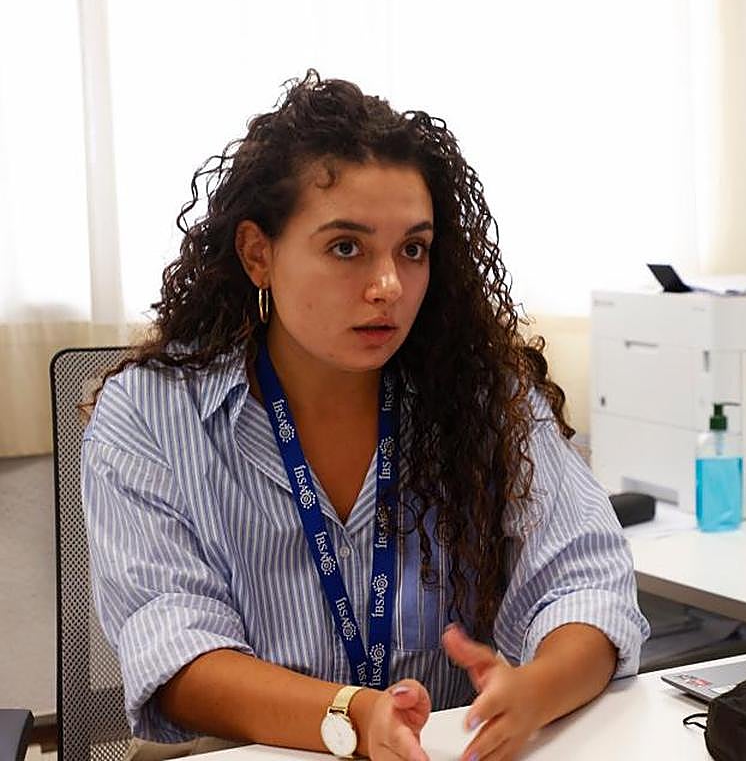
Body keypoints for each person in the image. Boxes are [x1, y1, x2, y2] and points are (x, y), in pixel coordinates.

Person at [82, 70, 649, 761]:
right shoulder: (147, 413)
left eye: (413, 250)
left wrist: (535, 689)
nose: (388, 286)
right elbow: (175, 652)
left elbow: (588, 583)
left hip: (444, 749)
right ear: (259, 254)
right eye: (346, 247)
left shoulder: (483, 394)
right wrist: (354, 716)